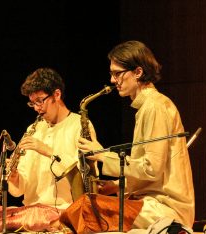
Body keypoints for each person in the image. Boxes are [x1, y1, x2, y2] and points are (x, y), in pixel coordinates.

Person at [78, 40, 195, 230]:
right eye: (111, 74)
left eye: (117, 74)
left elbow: (151, 168)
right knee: (85, 206)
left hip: (165, 208)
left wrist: (101, 154)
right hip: (151, 203)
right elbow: (152, 171)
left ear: (138, 72)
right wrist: (117, 185)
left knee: (85, 209)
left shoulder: (154, 106)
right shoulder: (147, 107)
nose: (113, 81)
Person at [7, 67, 99, 231]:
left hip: (65, 213)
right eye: (32, 103)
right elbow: (20, 189)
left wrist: (48, 150)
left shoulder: (80, 125)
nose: (36, 108)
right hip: (31, 214)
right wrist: (15, 177)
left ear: (56, 94)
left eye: (40, 101)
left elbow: (85, 178)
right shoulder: (32, 130)